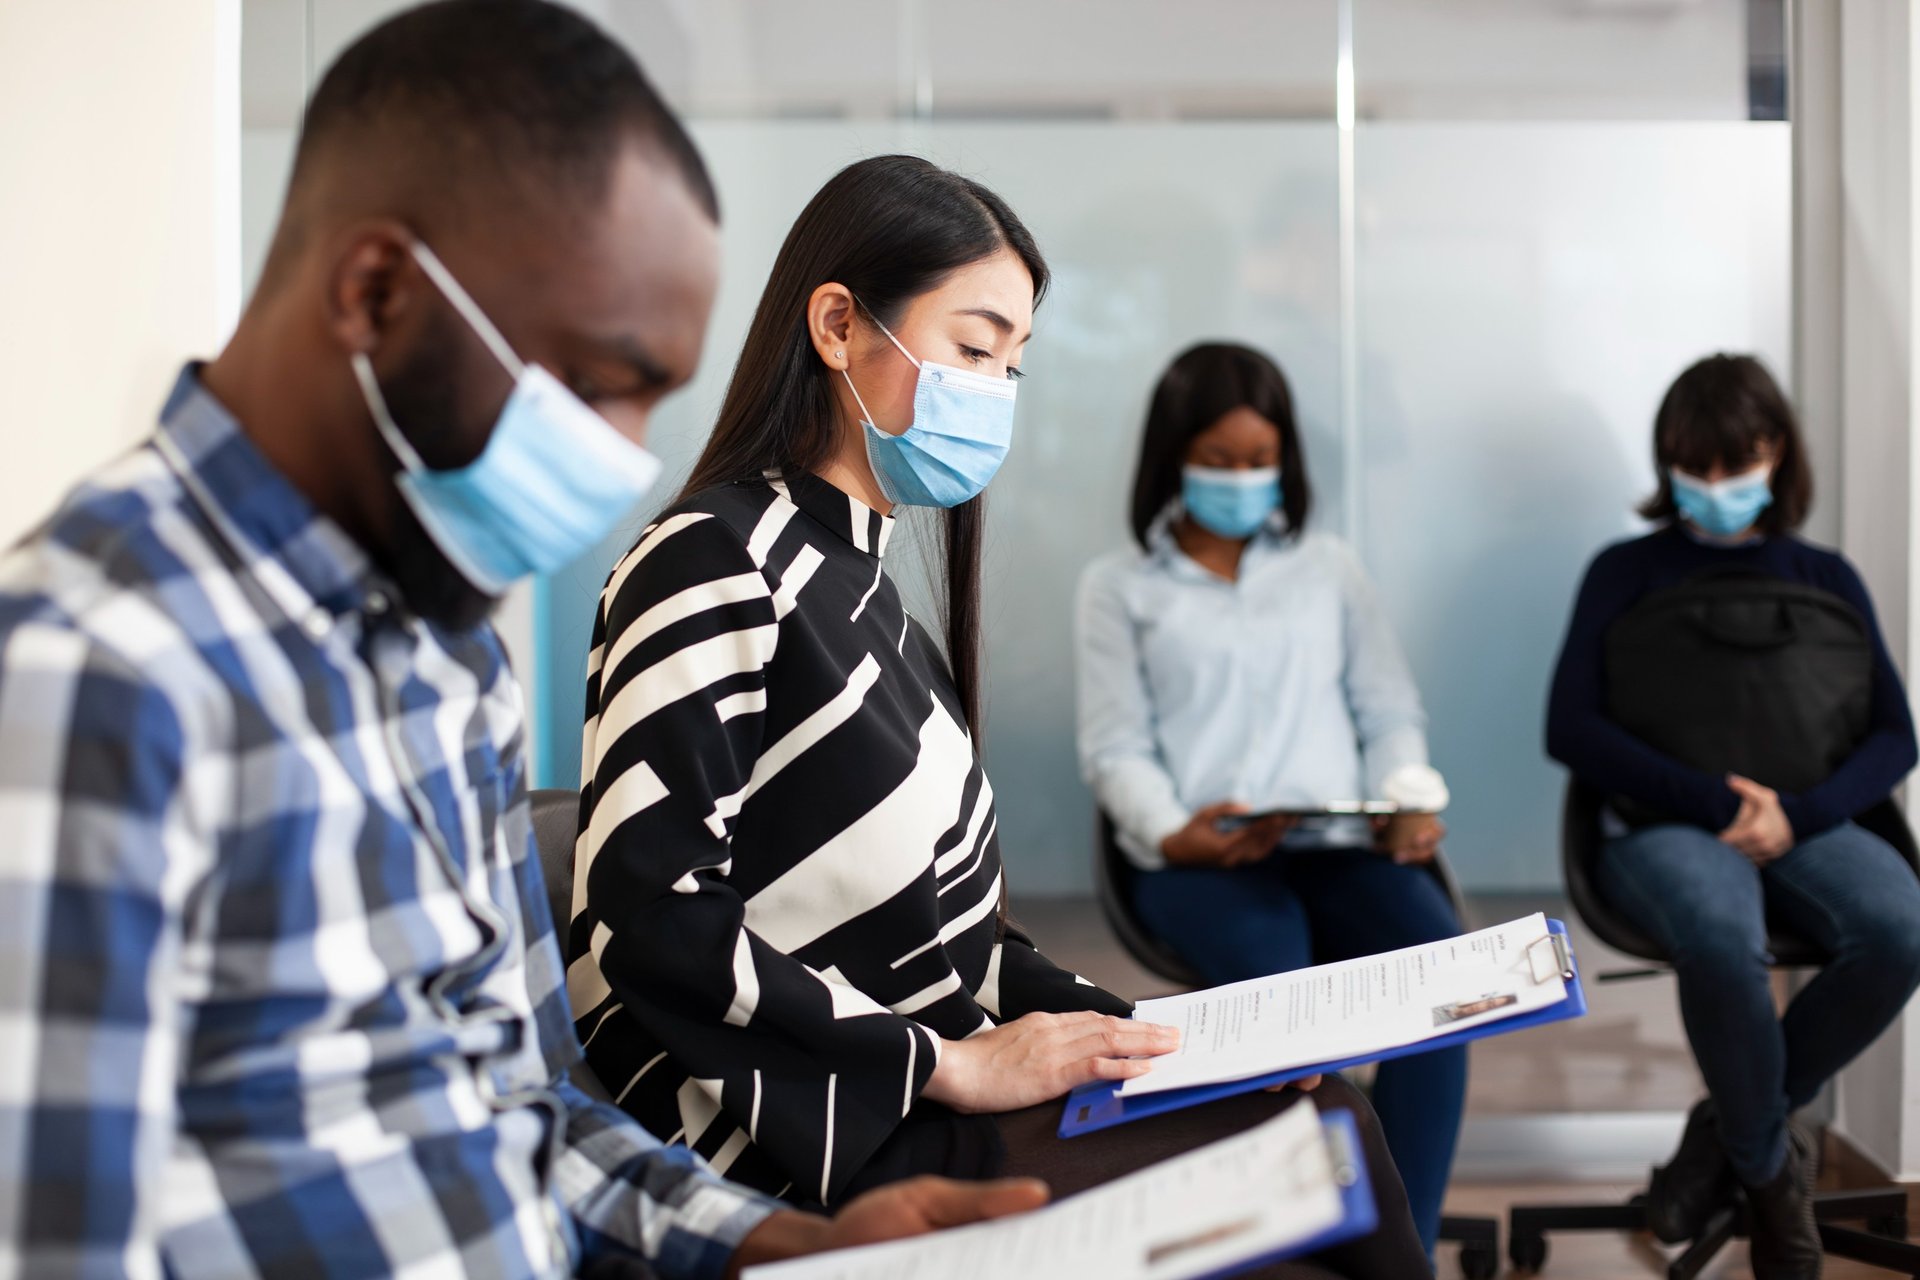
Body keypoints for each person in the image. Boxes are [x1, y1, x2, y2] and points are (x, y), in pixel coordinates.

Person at [0, 5, 1055, 1275]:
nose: (622, 458)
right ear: (376, 291)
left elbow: (529, 1109)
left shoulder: (448, 662)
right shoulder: (93, 667)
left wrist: (782, 1244)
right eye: (596, 382)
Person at [564, 158, 1432, 1279]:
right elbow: (652, 910)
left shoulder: (872, 596)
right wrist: (946, 1063)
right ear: (838, 325)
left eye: (1013, 365)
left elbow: (962, 947)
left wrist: (1158, 1042)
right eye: (975, 350)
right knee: (1318, 1152)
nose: (996, 391)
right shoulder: (711, 559)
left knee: (1312, 1120)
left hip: (925, 1080)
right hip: (811, 1124)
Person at [1073, 341, 1468, 1256]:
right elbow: (1115, 748)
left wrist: (1403, 799)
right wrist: (1176, 834)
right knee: (1285, 1009)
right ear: (1173, 457)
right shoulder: (1118, 588)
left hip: (1337, 846)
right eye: (1218, 459)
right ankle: (1317, 1243)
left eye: (1260, 459)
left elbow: (1388, 710)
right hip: (1200, 861)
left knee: (1443, 983)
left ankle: (1403, 1251)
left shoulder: (1328, 569)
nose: (1242, 479)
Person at [1547, 353, 1920, 1280]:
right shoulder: (1623, 572)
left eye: (1737, 463)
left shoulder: (1826, 576)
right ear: (1667, 463)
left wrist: (1797, 814)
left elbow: (1895, 736)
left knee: (1902, 926)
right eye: (1695, 467)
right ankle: (1771, 1185)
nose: (1716, 486)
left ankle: (1726, 1134)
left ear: (1777, 453)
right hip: (1665, 825)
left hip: (1806, 821)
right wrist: (1719, 801)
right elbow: (1571, 726)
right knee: (1721, 933)